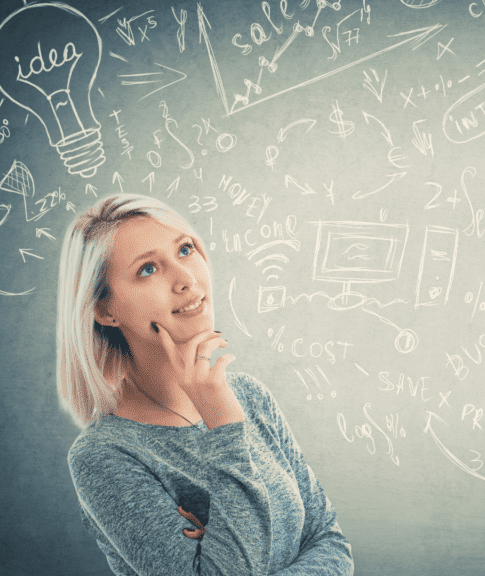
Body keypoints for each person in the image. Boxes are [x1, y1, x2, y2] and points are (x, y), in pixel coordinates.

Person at [57, 193, 353, 575]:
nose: (186, 279)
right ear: (105, 310)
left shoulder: (248, 396)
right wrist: (225, 428)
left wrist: (225, 540)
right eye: (148, 269)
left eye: (185, 249)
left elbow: (331, 542)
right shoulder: (103, 455)